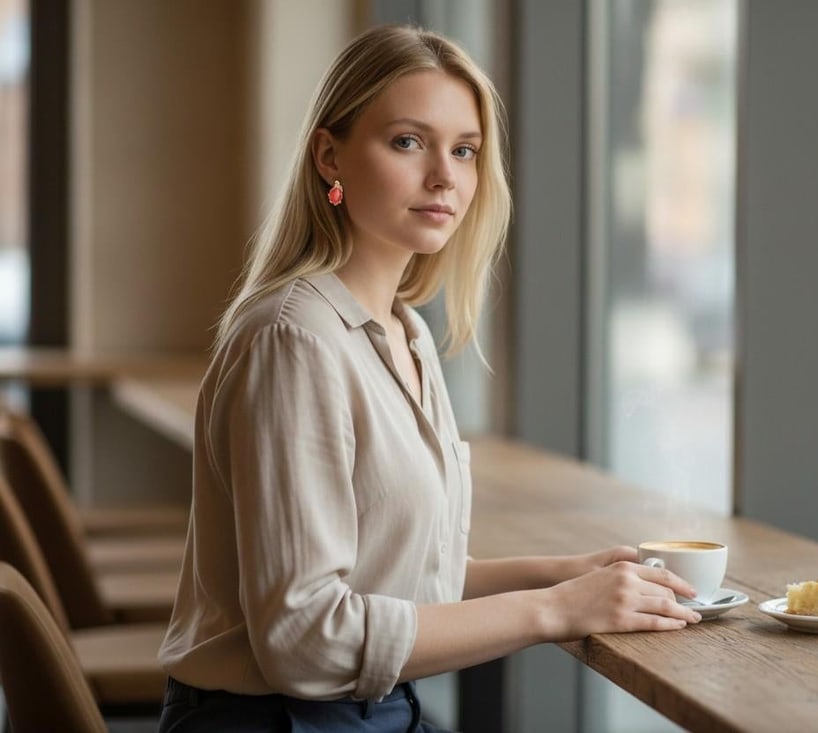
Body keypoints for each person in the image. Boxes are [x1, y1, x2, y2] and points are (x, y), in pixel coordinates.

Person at [157, 24, 701, 733]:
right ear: (331, 156)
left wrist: (569, 573)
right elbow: (305, 638)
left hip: (369, 709)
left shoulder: (403, 330)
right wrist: (554, 610)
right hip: (274, 721)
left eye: (465, 150)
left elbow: (405, 578)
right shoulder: (295, 339)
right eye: (409, 142)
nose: (446, 176)